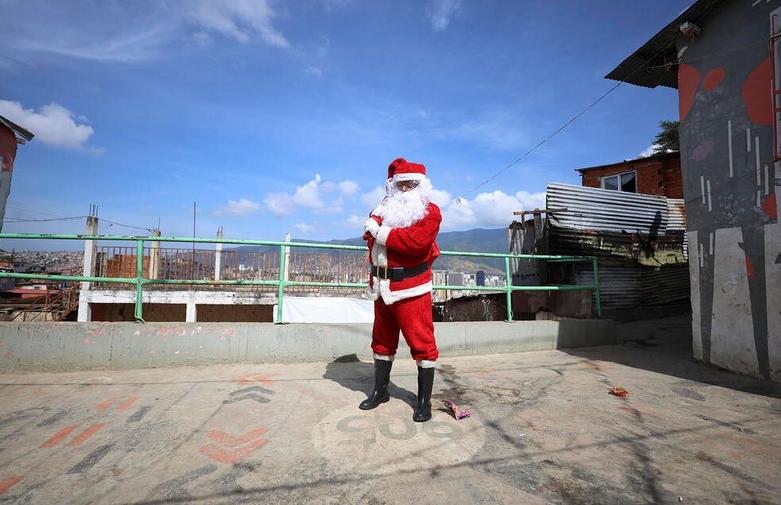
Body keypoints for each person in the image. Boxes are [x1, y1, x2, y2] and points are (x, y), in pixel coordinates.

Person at [360, 157, 441, 422]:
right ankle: (380, 391)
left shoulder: (431, 212)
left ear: (422, 186)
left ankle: (423, 402)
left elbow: (416, 243)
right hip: (382, 287)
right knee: (382, 341)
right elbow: (368, 234)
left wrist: (382, 232)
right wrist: (380, 228)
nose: (405, 188)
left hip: (412, 288)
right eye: (401, 184)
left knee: (422, 344)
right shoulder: (384, 208)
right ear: (393, 186)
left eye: (411, 183)